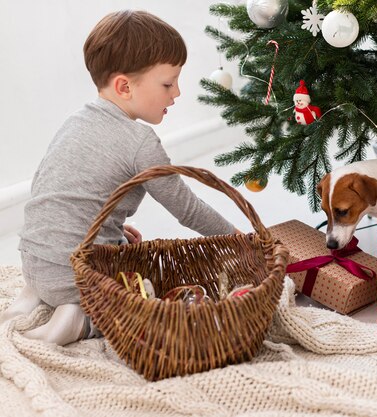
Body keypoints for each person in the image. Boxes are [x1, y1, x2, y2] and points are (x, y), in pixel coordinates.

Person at [0, 10, 237, 345]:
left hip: (33, 260)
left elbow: (54, 191)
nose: (177, 94)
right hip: (78, 278)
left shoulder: (75, 121)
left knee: (111, 248)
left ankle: (33, 296)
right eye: (168, 83)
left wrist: (111, 227)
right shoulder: (140, 142)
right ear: (125, 86)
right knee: (145, 298)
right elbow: (188, 210)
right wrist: (238, 239)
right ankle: (79, 320)